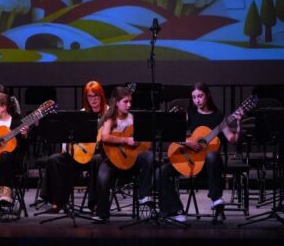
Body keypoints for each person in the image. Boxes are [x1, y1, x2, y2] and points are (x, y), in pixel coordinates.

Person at [156, 82, 243, 221]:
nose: (197, 100)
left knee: (212, 155)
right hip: (190, 160)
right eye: (194, 97)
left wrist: (238, 125)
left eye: (200, 96)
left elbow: (232, 139)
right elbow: (175, 135)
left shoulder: (219, 117)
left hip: (209, 166)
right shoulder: (189, 115)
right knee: (160, 173)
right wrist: (188, 143)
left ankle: (216, 199)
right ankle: (176, 209)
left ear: (207, 95)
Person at [41, 81, 107, 214]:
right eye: (90, 96)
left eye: (96, 95)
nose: (93, 99)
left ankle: (94, 204)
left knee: (97, 161)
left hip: (99, 153)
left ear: (101, 96)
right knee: (54, 160)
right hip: (81, 153)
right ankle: (57, 202)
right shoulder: (82, 113)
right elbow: (70, 134)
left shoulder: (109, 113)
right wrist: (65, 147)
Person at [93, 86, 153, 223]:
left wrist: (138, 142)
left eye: (130, 101)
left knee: (149, 156)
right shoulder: (110, 119)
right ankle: (102, 213)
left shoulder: (133, 119)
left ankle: (144, 195)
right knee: (102, 177)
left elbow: (145, 142)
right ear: (116, 102)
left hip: (132, 160)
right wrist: (125, 140)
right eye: (125, 102)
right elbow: (104, 137)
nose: (129, 105)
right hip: (113, 161)